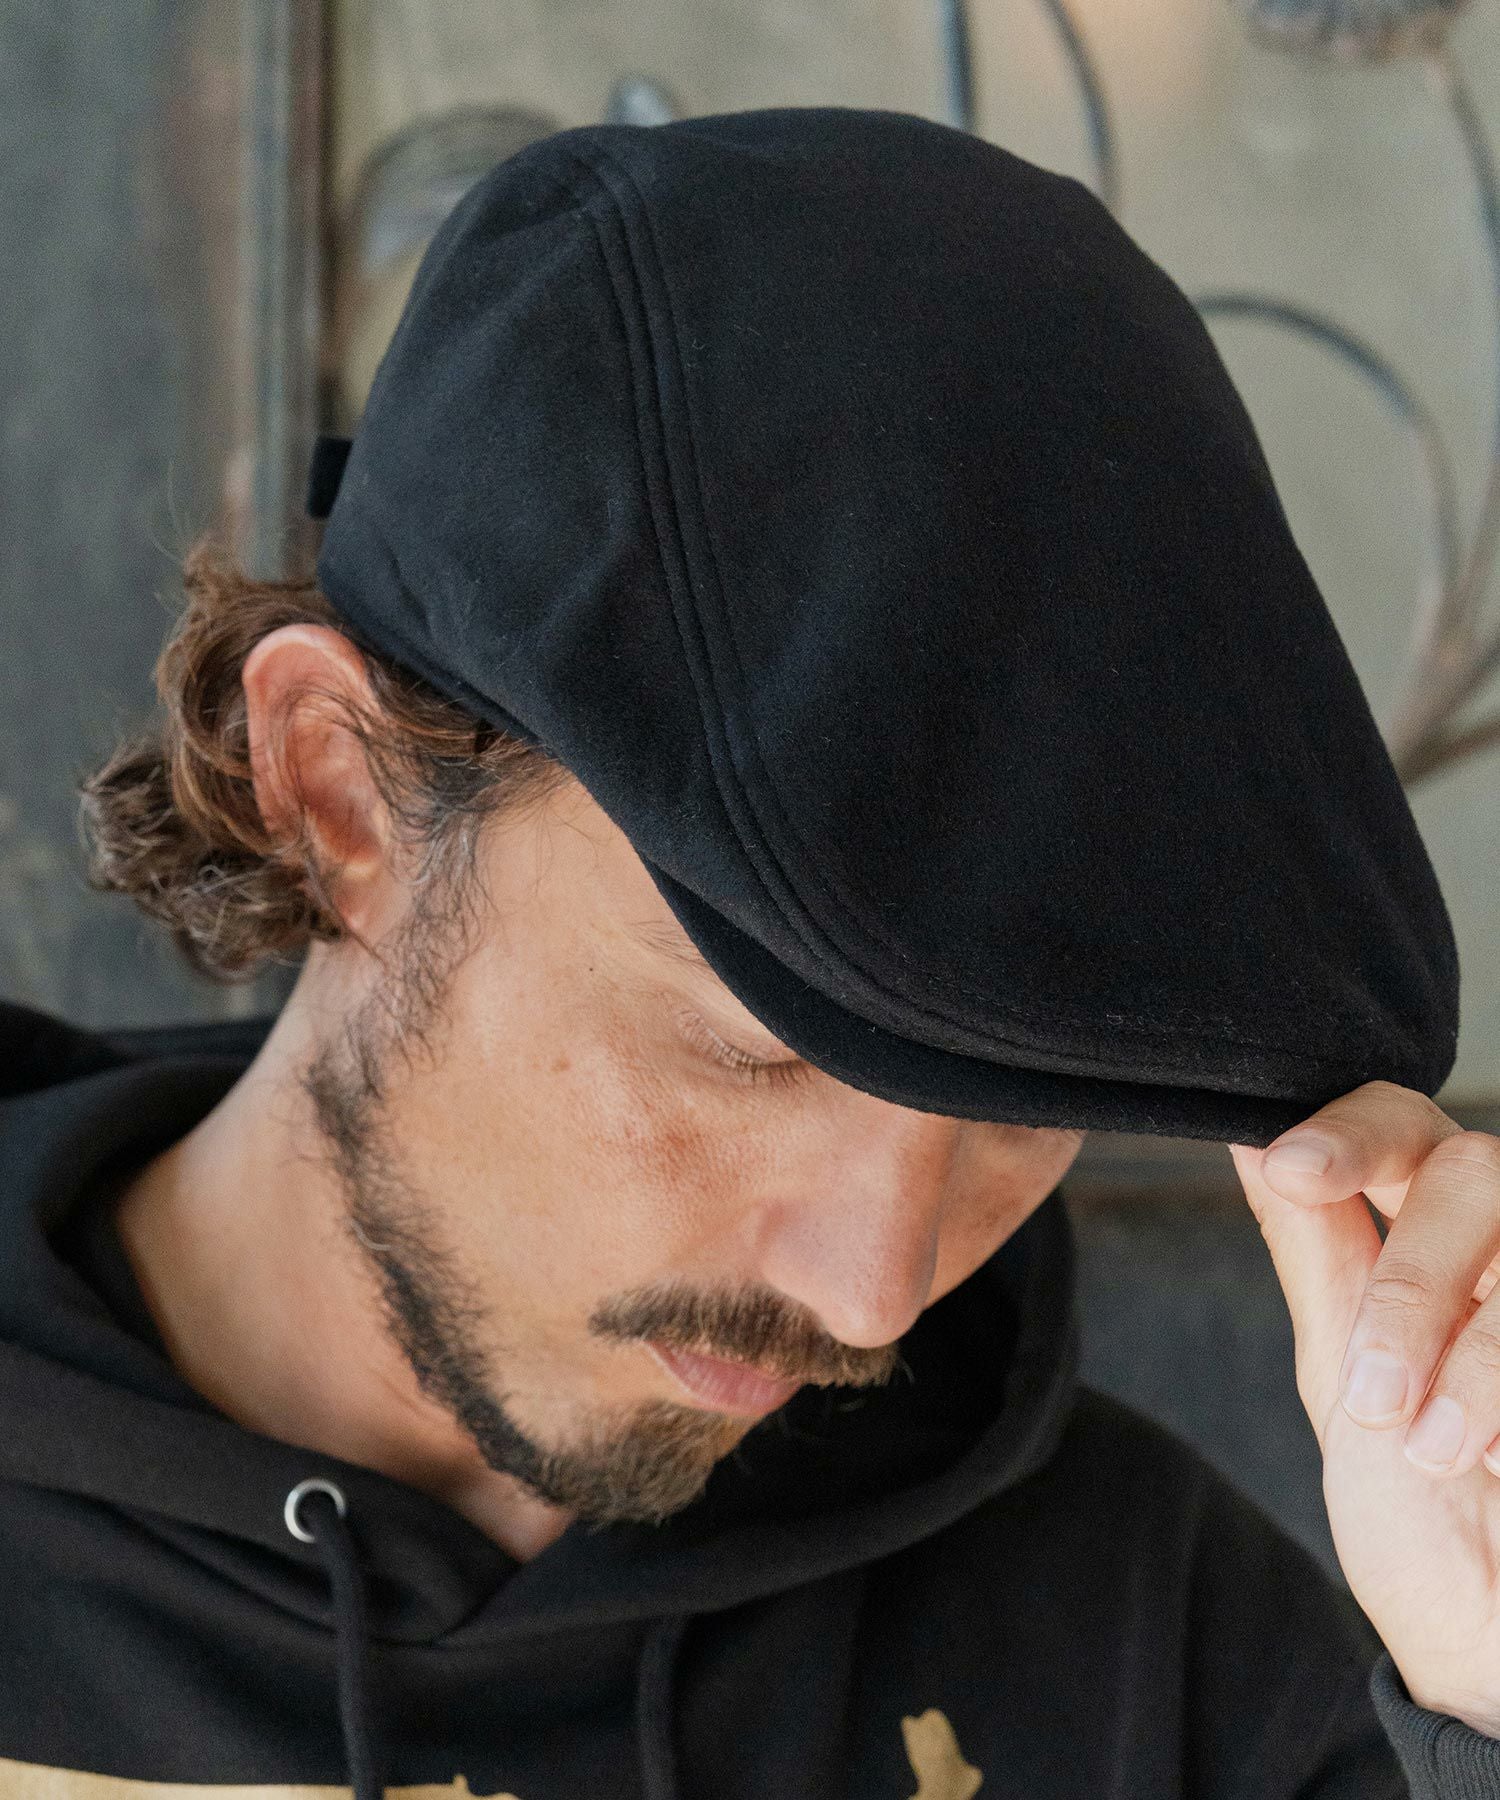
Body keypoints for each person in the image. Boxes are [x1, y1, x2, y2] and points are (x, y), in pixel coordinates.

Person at [1, 105, 1497, 1800]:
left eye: (1024, 1104)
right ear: (342, 791)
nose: (873, 1294)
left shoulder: (1161, 1657)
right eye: (760, 1047)